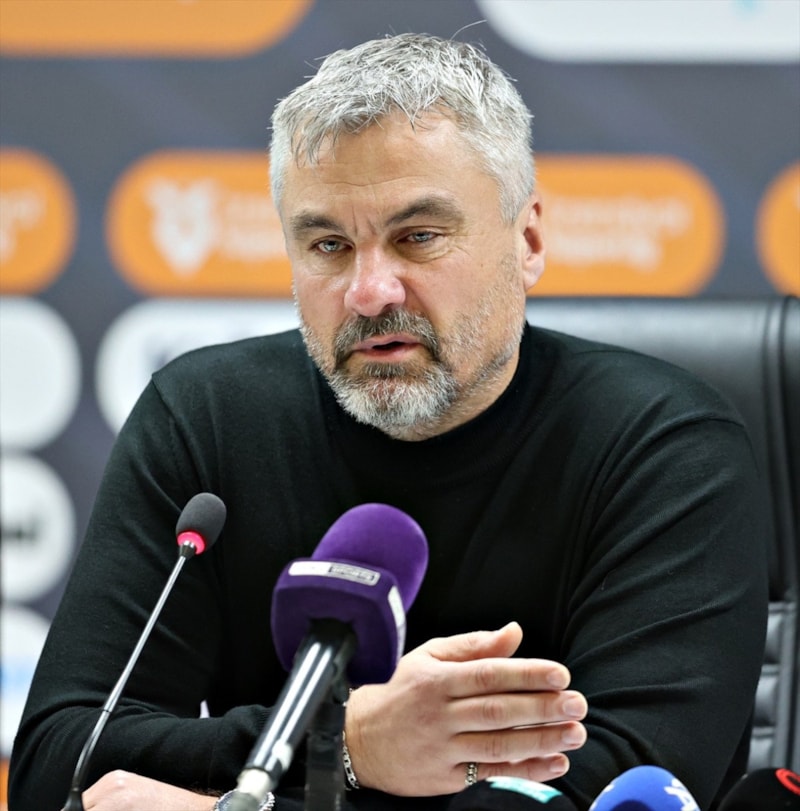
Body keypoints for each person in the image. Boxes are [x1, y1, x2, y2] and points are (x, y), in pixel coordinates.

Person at [9, 33, 768, 811]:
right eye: (329, 244)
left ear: (528, 239)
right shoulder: (204, 421)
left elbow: (623, 793)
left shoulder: (668, 453)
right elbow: (56, 766)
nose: (370, 291)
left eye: (418, 237)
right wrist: (350, 744)